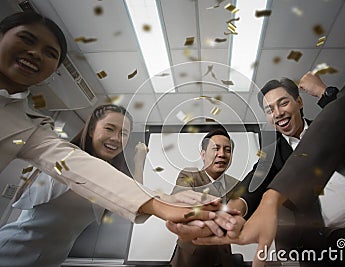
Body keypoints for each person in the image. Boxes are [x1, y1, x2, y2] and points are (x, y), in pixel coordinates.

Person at [187, 0, 345, 264]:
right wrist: (237, 207)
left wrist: (325, 94)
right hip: (334, 249)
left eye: (283, 103)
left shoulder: (332, 126)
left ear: (298, 102)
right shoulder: (275, 152)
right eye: (269, 109)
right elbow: (255, 180)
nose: (277, 113)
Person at [0, 11, 223, 231]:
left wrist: (159, 199)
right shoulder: (54, 163)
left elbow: (88, 171)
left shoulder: (31, 128)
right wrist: (159, 201)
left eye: (50, 53)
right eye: (26, 39)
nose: (36, 54)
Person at [0, 104, 146, 266]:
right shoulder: (71, 162)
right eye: (109, 129)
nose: (116, 138)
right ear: (91, 130)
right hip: (12, 253)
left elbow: (133, 203)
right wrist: (139, 160)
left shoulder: (104, 174)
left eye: (124, 134)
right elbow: (131, 203)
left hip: (50, 260)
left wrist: (139, 161)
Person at [170, 128, 240, 267]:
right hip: (192, 256)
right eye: (215, 148)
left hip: (224, 256)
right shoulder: (190, 175)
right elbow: (178, 200)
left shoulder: (235, 184)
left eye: (228, 150)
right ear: (203, 154)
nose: (222, 154)